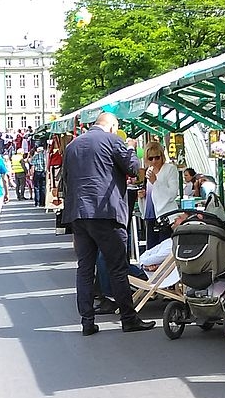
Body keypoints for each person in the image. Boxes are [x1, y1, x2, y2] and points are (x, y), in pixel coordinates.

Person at [61, 112, 156, 336]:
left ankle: (87, 321)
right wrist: (130, 147)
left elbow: (65, 179)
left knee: (85, 268)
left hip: (78, 213)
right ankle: (128, 318)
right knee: (117, 267)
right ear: (113, 126)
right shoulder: (113, 140)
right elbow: (132, 168)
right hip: (106, 212)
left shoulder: (73, 146)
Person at [140, 142, 182, 250]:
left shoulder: (170, 169)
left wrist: (156, 182)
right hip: (150, 216)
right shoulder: (149, 171)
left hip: (166, 217)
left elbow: (172, 193)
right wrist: (143, 196)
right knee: (152, 250)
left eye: (157, 157)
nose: (154, 161)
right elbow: (152, 195)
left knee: (164, 250)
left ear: (162, 156)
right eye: (150, 158)